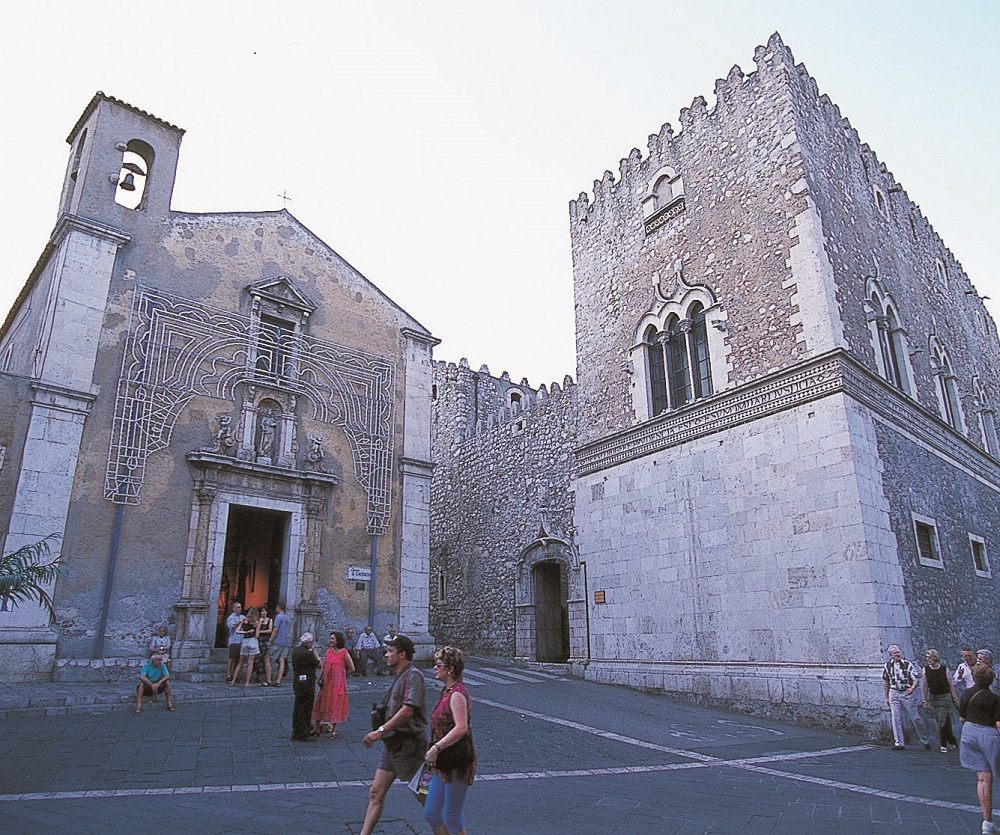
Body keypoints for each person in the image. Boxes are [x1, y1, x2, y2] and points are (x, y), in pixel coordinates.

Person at [360, 634, 428, 835]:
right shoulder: (400, 675)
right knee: (375, 792)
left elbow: (408, 710)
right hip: (392, 744)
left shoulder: (414, 676)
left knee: (425, 795)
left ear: (402, 654)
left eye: (391, 651)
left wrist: (380, 731)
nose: (386, 655)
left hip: (410, 745)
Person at [424, 646, 476, 835]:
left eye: (439, 665)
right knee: (431, 812)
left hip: (456, 761)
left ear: (450, 669)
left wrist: (437, 747)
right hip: (443, 761)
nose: (435, 668)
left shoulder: (457, 694)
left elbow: (461, 728)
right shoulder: (447, 692)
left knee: (452, 816)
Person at [958, 664, 1000, 834]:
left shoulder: (966, 694)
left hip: (969, 733)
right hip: (988, 735)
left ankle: (987, 822)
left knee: (983, 779)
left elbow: (961, 718)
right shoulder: (994, 698)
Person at [882, 644, 930, 750]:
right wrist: (886, 696)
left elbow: (916, 678)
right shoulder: (887, 666)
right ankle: (899, 742)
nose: (898, 654)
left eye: (899, 652)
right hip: (894, 692)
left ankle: (925, 739)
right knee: (895, 718)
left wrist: (912, 688)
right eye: (895, 653)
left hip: (907, 692)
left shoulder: (907, 664)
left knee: (915, 717)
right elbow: (885, 681)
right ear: (891, 655)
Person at [311, 630, 355, 738]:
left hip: (337, 684)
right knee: (320, 702)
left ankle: (334, 730)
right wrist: (321, 677)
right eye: (330, 638)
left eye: (332, 638)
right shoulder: (328, 651)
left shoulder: (344, 652)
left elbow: (352, 668)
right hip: (326, 683)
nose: (330, 640)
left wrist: (342, 675)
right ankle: (316, 727)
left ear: (338, 640)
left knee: (335, 704)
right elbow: (325, 666)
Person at [922, 648, 959, 753]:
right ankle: (952, 740)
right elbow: (925, 686)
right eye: (927, 658)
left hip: (945, 697)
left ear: (935, 657)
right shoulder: (925, 670)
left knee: (942, 719)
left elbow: (950, 684)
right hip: (934, 697)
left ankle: (943, 744)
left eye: (929, 657)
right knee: (943, 720)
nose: (928, 659)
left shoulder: (944, 669)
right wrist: (925, 699)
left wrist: (954, 698)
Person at [291, 633, 320, 741]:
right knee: (306, 708)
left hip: (298, 681)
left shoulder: (296, 651)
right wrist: (314, 652)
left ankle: (296, 730)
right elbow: (318, 663)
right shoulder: (307, 654)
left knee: (298, 707)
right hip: (307, 683)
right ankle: (303, 732)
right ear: (308, 642)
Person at [230, 607, 260, 686]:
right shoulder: (257, 622)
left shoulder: (244, 621)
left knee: (240, 663)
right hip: (253, 641)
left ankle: (233, 681)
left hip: (245, 642)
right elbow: (257, 635)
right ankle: (247, 682)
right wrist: (252, 632)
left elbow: (237, 631)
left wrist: (245, 632)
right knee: (250, 663)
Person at [268, 601, 292, 686]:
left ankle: (269, 679)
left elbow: (275, 629)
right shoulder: (288, 617)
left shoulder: (278, 617)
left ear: (279, 607)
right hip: (285, 642)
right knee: (282, 660)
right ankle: (278, 680)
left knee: (267, 657)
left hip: (277, 641)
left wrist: (270, 640)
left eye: (276, 607)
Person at [225, 602, 245, 683]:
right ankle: (229, 675)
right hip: (234, 640)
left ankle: (235, 675)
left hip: (241, 640)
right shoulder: (231, 617)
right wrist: (239, 623)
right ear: (234, 608)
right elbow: (232, 626)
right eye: (238, 607)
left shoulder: (243, 617)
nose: (240, 608)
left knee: (238, 659)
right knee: (231, 658)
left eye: (240, 607)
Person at [256, 605, 274, 686]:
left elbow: (270, 630)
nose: (264, 613)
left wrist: (260, 631)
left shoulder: (270, 620)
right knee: (258, 659)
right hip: (258, 641)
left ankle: (268, 679)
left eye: (265, 611)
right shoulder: (258, 620)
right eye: (262, 611)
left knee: (266, 659)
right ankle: (260, 678)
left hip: (265, 641)